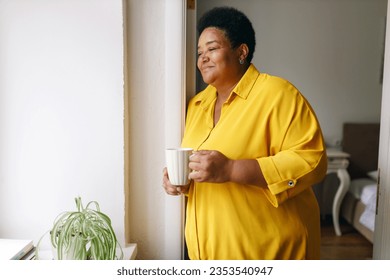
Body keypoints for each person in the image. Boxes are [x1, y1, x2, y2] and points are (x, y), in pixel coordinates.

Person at [162, 6, 327, 260]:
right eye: (199, 52)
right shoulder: (196, 106)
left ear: (241, 52)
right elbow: (205, 170)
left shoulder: (277, 94)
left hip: (269, 253)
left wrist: (231, 169)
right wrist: (180, 179)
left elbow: (312, 160)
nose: (203, 58)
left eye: (212, 48)